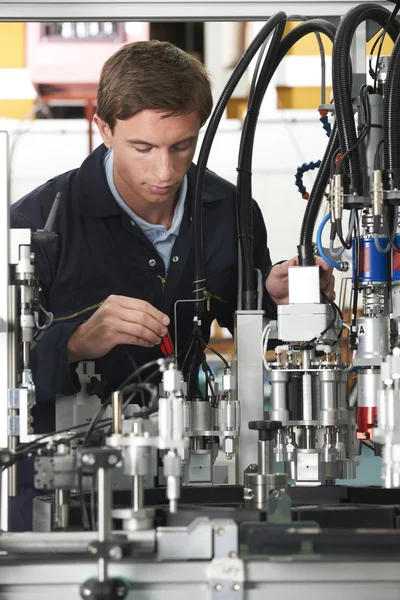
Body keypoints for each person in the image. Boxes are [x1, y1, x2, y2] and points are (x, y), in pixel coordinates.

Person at [10, 40, 334, 530]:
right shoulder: (37, 223)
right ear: (104, 128)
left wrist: (276, 301)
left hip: (188, 472)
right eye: (143, 148)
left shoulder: (230, 213)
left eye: (181, 146)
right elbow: (5, 364)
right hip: (60, 484)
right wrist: (74, 343)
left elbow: (255, 325)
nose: (164, 172)